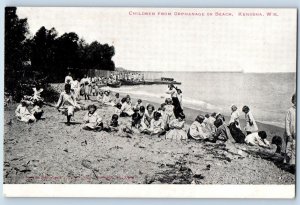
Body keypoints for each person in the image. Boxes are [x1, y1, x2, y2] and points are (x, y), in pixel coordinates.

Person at [284, 94, 296, 165]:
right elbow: (287, 123)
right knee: (289, 148)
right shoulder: (290, 110)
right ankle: (287, 162)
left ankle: (293, 163)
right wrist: (289, 134)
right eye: (295, 100)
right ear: (292, 101)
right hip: (290, 133)